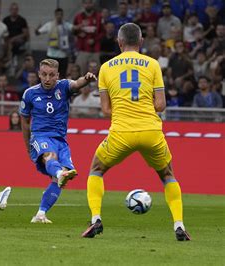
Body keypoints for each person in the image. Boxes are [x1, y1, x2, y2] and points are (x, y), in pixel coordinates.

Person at [81, 23, 191, 241]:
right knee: (168, 174)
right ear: (141, 42)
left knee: (96, 169)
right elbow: (160, 105)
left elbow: (105, 111)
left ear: (119, 42)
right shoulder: (152, 65)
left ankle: (95, 220)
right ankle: (179, 225)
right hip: (151, 131)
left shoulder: (106, 67)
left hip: (122, 131)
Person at [19, 58, 96, 223]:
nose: (47, 79)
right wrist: (28, 146)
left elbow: (77, 84)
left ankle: (40, 214)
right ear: (39, 74)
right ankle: (60, 171)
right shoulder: (30, 94)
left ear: (57, 75)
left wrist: (87, 78)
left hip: (61, 139)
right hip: (41, 136)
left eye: (51, 75)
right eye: (44, 74)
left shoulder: (64, 86)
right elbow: (25, 122)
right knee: (50, 157)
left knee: (60, 181)